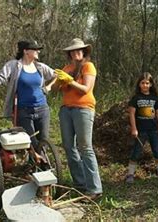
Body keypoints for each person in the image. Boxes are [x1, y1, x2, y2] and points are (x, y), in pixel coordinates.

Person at [0, 40, 56, 153]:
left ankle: (43, 166)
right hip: (23, 111)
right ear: (26, 51)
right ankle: (30, 165)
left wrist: (49, 86)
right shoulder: (14, 66)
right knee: (30, 142)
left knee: (43, 141)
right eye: (35, 49)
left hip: (42, 109)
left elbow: (59, 75)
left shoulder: (40, 67)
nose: (38, 51)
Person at [55, 38, 102, 199]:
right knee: (69, 147)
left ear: (84, 52)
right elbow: (56, 88)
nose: (76, 53)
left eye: (79, 50)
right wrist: (60, 80)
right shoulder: (67, 68)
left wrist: (71, 81)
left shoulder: (89, 66)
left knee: (85, 147)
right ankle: (80, 183)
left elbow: (86, 89)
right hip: (66, 110)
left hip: (83, 109)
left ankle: (94, 188)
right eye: (73, 51)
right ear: (70, 53)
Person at [125, 72, 158, 183]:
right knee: (136, 151)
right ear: (139, 84)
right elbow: (132, 114)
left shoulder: (154, 98)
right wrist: (134, 128)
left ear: (151, 84)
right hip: (141, 130)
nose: (145, 85)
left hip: (153, 130)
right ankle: (130, 173)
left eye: (147, 83)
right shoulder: (136, 98)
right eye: (142, 83)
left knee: (157, 151)